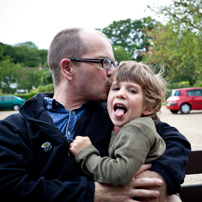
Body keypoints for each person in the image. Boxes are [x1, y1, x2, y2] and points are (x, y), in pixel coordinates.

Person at [0, 28, 191, 202]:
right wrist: (94, 193)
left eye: (113, 63)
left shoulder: (118, 116)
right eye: (104, 62)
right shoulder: (14, 129)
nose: (112, 71)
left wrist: (159, 177)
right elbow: (11, 188)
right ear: (68, 69)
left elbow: (175, 141)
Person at [70, 61, 167, 187]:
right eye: (115, 88)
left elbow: (119, 175)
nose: (120, 94)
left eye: (132, 91)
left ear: (148, 108)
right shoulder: (124, 126)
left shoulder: (136, 128)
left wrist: (85, 153)